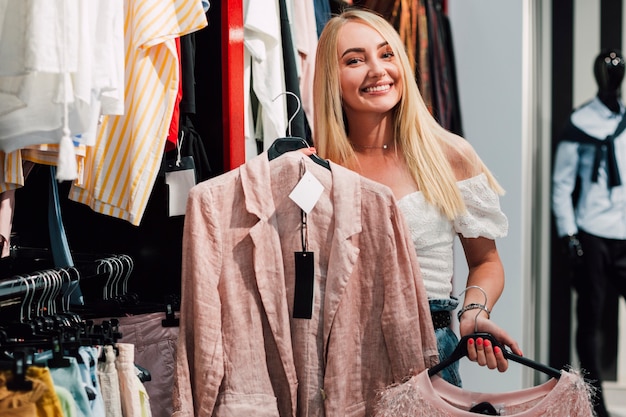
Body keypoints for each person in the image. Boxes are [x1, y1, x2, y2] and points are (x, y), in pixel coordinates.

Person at [310, 7, 522, 387]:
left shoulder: (449, 155)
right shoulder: (317, 167)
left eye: (386, 54)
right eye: (355, 60)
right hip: (338, 354)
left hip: (429, 350)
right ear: (332, 77)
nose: (377, 70)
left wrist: (473, 312)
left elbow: (486, 261)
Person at [552, 48, 626, 417]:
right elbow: (561, 184)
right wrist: (569, 234)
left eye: (619, 72)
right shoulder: (580, 123)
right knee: (592, 317)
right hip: (592, 231)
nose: (614, 79)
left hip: (624, 232)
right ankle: (596, 406)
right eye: (608, 72)